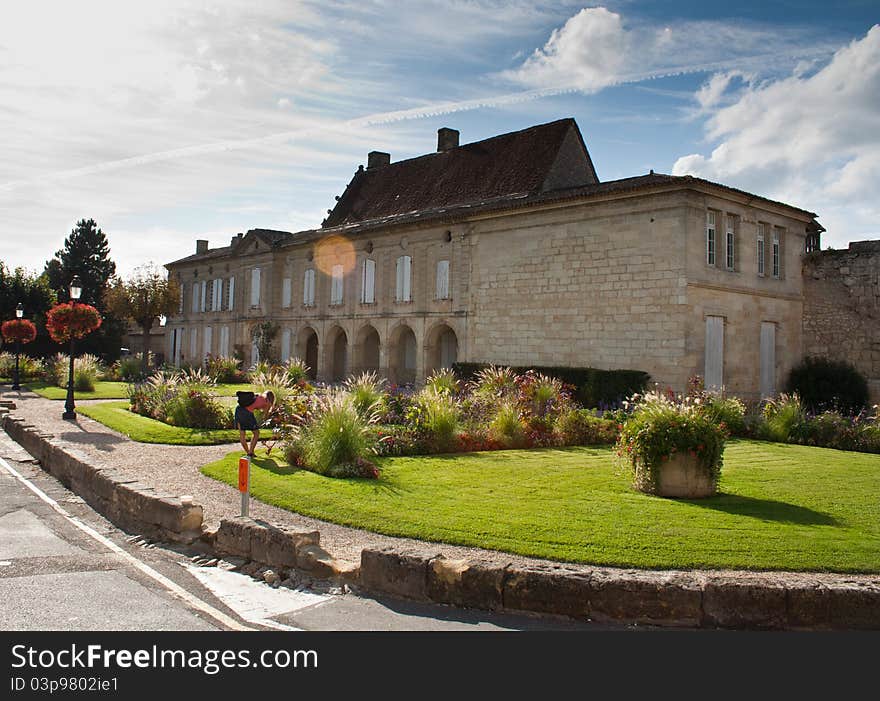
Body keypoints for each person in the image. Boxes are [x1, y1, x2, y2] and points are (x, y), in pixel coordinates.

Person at [234, 390, 276, 457]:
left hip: (238, 410)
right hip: (247, 413)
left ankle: (248, 452)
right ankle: (250, 452)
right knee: (256, 433)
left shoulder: (258, 395)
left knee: (242, 433)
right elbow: (265, 414)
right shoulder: (267, 401)